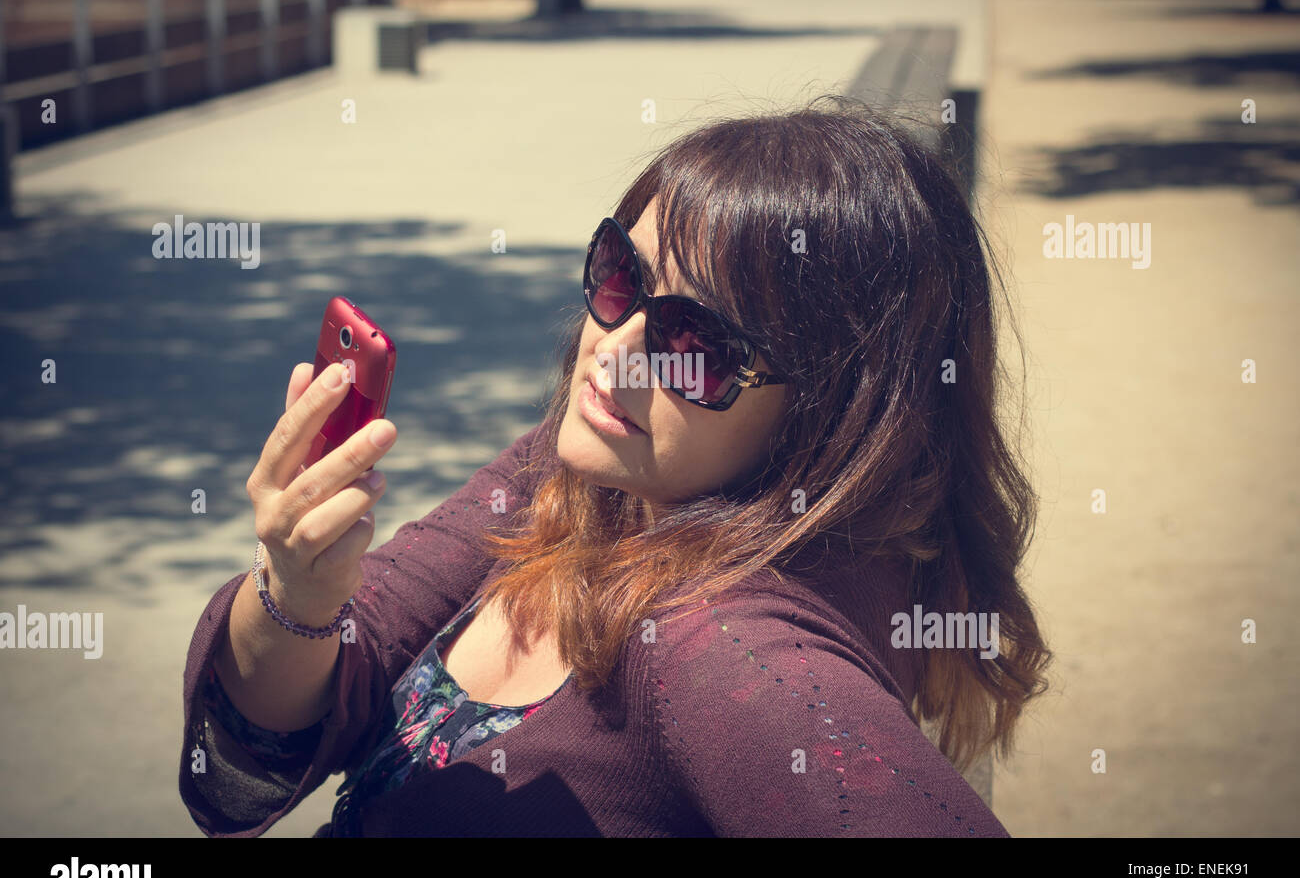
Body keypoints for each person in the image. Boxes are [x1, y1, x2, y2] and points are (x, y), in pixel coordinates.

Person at [179, 94, 1051, 837]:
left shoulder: (730, 648)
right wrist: (297, 592)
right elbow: (323, 683)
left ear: (830, 414)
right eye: (620, 277)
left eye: (695, 343)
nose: (615, 351)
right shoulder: (576, 476)